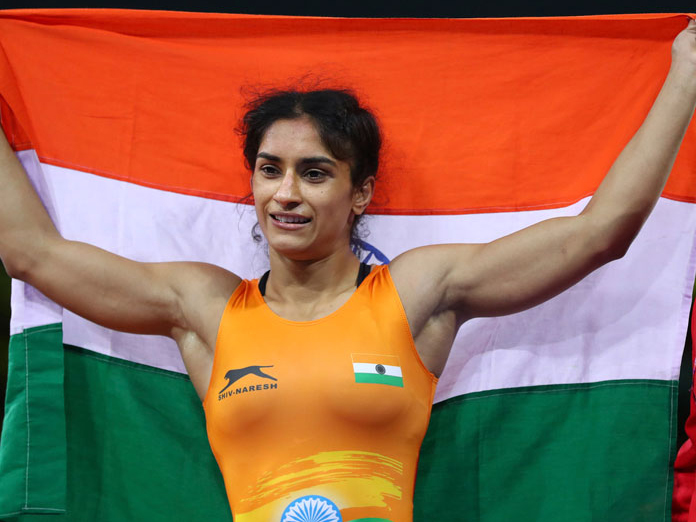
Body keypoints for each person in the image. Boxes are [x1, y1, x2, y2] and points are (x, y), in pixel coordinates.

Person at [2, 20, 696, 522]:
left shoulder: (417, 294)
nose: (286, 193)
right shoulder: (205, 307)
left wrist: (687, 74)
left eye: (314, 173)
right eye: (269, 170)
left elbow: (599, 235)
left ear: (360, 193)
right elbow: (31, 253)